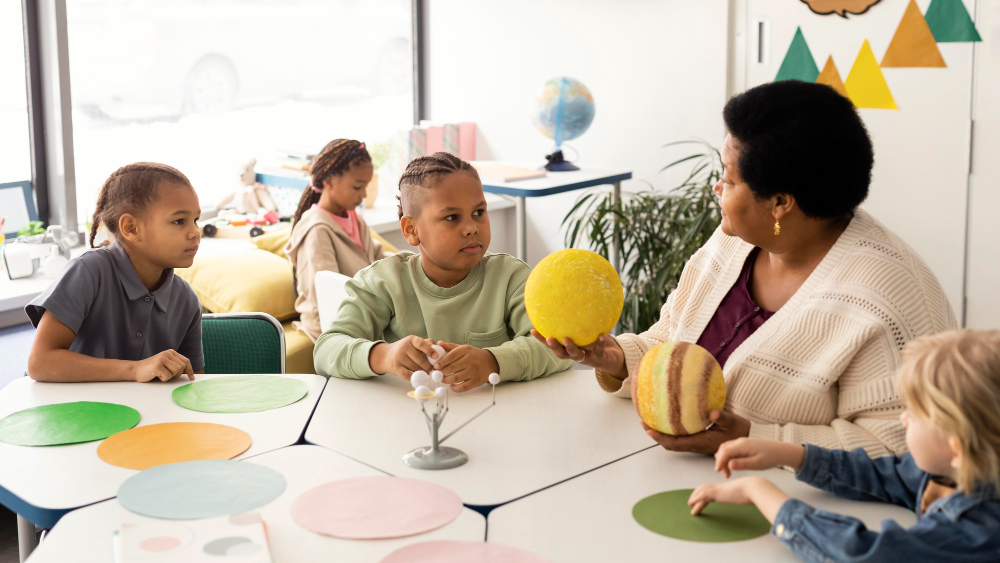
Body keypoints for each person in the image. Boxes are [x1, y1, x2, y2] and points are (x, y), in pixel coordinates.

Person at [537, 80, 957, 456]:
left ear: (780, 202)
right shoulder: (735, 240)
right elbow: (671, 341)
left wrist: (754, 438)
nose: (716, 188)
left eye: (729, 178)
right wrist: (616, 359)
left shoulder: (885, 301)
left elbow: (896, 449)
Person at [687, 329, 1000, 562]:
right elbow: (881, 475)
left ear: (956, 448)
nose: (903, 419)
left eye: (914, 414)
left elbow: (861, 553)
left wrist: (760, 492)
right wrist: (792, 455)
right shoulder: (957, 471)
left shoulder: (976, 530)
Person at [314, 152, 572, 391]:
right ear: (411, 230)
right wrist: (385, 356)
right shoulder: (382, 281)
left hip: (494, 416)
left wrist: (492, 361)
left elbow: (555, 349)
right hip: (407, 420)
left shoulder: (511, 277)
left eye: (479, 212)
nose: (471, 227)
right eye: (452, 218)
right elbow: (326, 350)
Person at [26, 162, 204, 382]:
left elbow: (194, 383)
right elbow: (40, 363)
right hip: (61, 410)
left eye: (195, 220)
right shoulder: (88, 272)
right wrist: (136, 369)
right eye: (179, 221)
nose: (195, 232)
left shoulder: (186, 300)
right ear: (131, 228)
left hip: (141, 415)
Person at [285, 139, 386, 342]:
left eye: (366, 186)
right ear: (329, 181)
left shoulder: (354, 219)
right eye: (358, 186)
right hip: (334, 329)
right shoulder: (317, 231)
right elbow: (328, 297)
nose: (364, 195)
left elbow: (378, 262)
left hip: (363, 317)